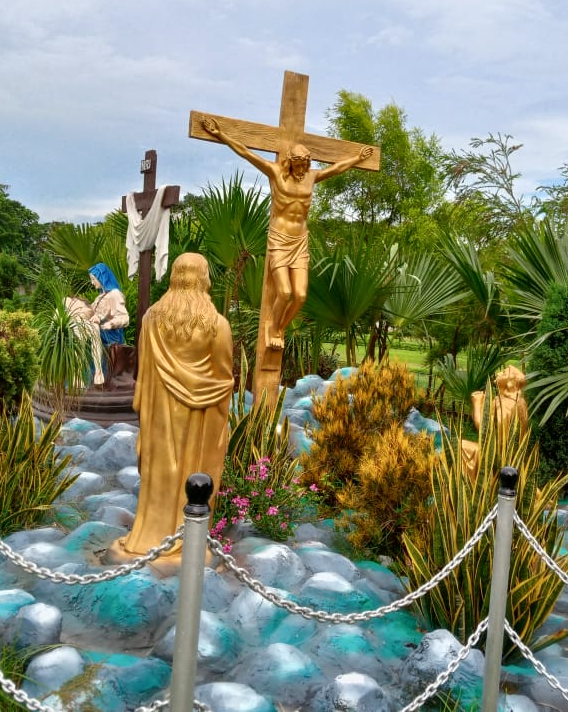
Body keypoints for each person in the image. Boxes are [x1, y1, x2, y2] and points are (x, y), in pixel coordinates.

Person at [201, 116, 373, 350]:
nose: (303, 169)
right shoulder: (275, 173)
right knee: (284, 291)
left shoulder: (311, 177)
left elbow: (336, 168)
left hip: (300, 240)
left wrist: (357, 158)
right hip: (280, 239)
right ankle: (273, 329)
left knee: (300, 295)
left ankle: (280, 327)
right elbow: (246, 152)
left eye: (306, 165)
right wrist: (221, 134)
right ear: (290, 162)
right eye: (299, 165)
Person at [108, 253, 233, 571]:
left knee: (159, 474)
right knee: (192, 475)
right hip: (197, 420)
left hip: (159, 416)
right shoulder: (217, 325)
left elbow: (144, 373)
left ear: (175, 277)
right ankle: (186, 536)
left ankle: (148, 535)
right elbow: (222, 378)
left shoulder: (151, 319)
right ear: (203, 278)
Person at [463, 365, 529, 479]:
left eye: (503, 373)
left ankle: (472, 487)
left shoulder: (508, 404)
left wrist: (477, 403)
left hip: (496, 459)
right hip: (499, 454)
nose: (498, 374)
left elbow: (486, 431)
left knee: (458, 447)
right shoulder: (508, 400)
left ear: (510, 383)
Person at [86, 263, 129, 346]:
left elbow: (124, 318)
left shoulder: (115, 294)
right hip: (98, 336)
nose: (92, 282)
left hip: (110, 339)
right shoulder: (99, 298)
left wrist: (110, 324)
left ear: (101, 277)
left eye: (93, 279)